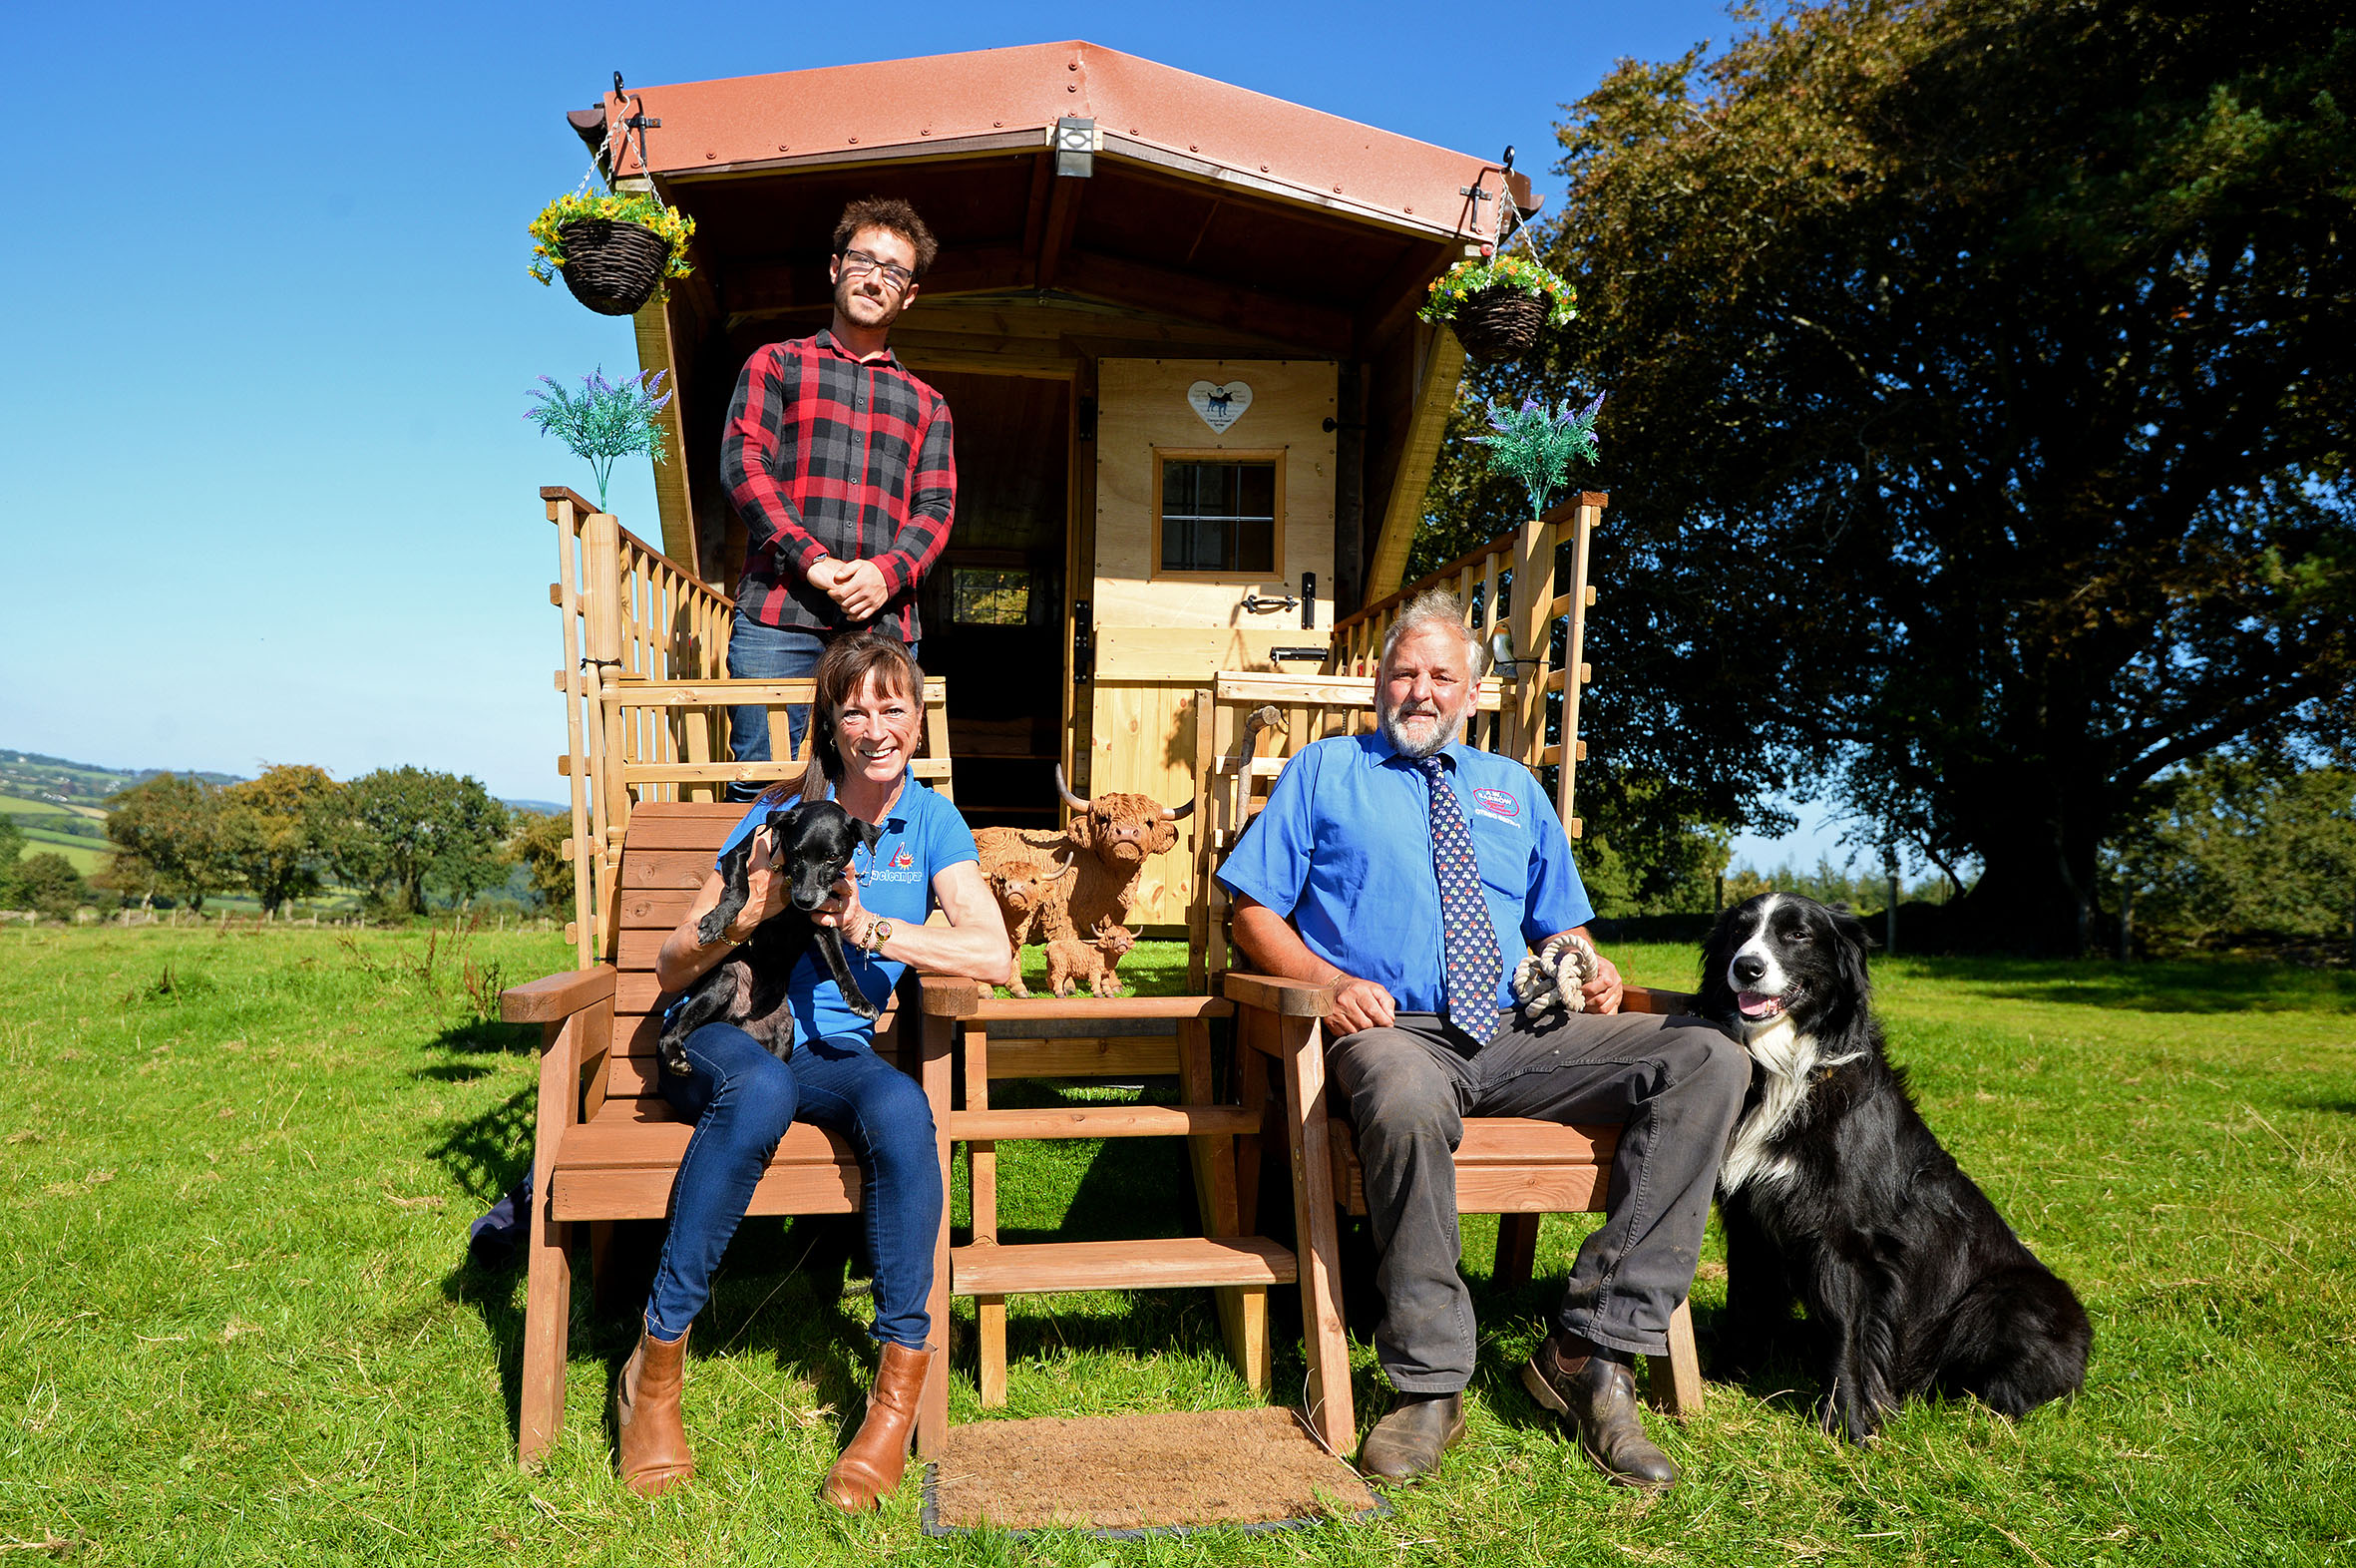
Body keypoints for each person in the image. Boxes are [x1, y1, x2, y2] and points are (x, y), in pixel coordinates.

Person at [1215, 590, 1748, 1491]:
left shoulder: (1514, 791)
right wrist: (1328, 984)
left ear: (1473, 694)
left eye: (1441, 677)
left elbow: (1562, 929)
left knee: (1711, 1057)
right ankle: (1430, 1383)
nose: (1420, 691)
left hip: (1521, 1030)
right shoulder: (1324, 771)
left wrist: (1593, 967)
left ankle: (1595, 1350)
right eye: (1404, 672)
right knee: (1403, 1094)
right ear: (1376, 681)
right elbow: (1251, 913)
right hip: (1389, 1028)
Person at [613, 633, 1011, 1508]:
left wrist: (871, 927)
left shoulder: (932, 822)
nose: (876, 726)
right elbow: (673, 967)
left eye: (893, 706)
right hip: (726, 1038)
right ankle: (655, 1366)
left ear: (916, 719)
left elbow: (993, 954)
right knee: (761, 1087)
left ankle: (892, 1406)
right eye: (856, 708)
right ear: (828, 723)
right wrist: (750, 907)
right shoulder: (777, 813)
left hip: (833, 1049)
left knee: (905, 1113)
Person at [718, 196, 955, 791]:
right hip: (779, 615)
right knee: (761, 779)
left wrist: (886, 573)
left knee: (878, 783)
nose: (875, 278)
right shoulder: (775, 364)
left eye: (894, 271)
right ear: (834, 267)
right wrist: (813, 561)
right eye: (863, 260)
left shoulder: (928, 405)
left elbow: (937, 509)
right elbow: (745, 467)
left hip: (884, 626)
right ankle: (748, 888)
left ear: (910, 295)